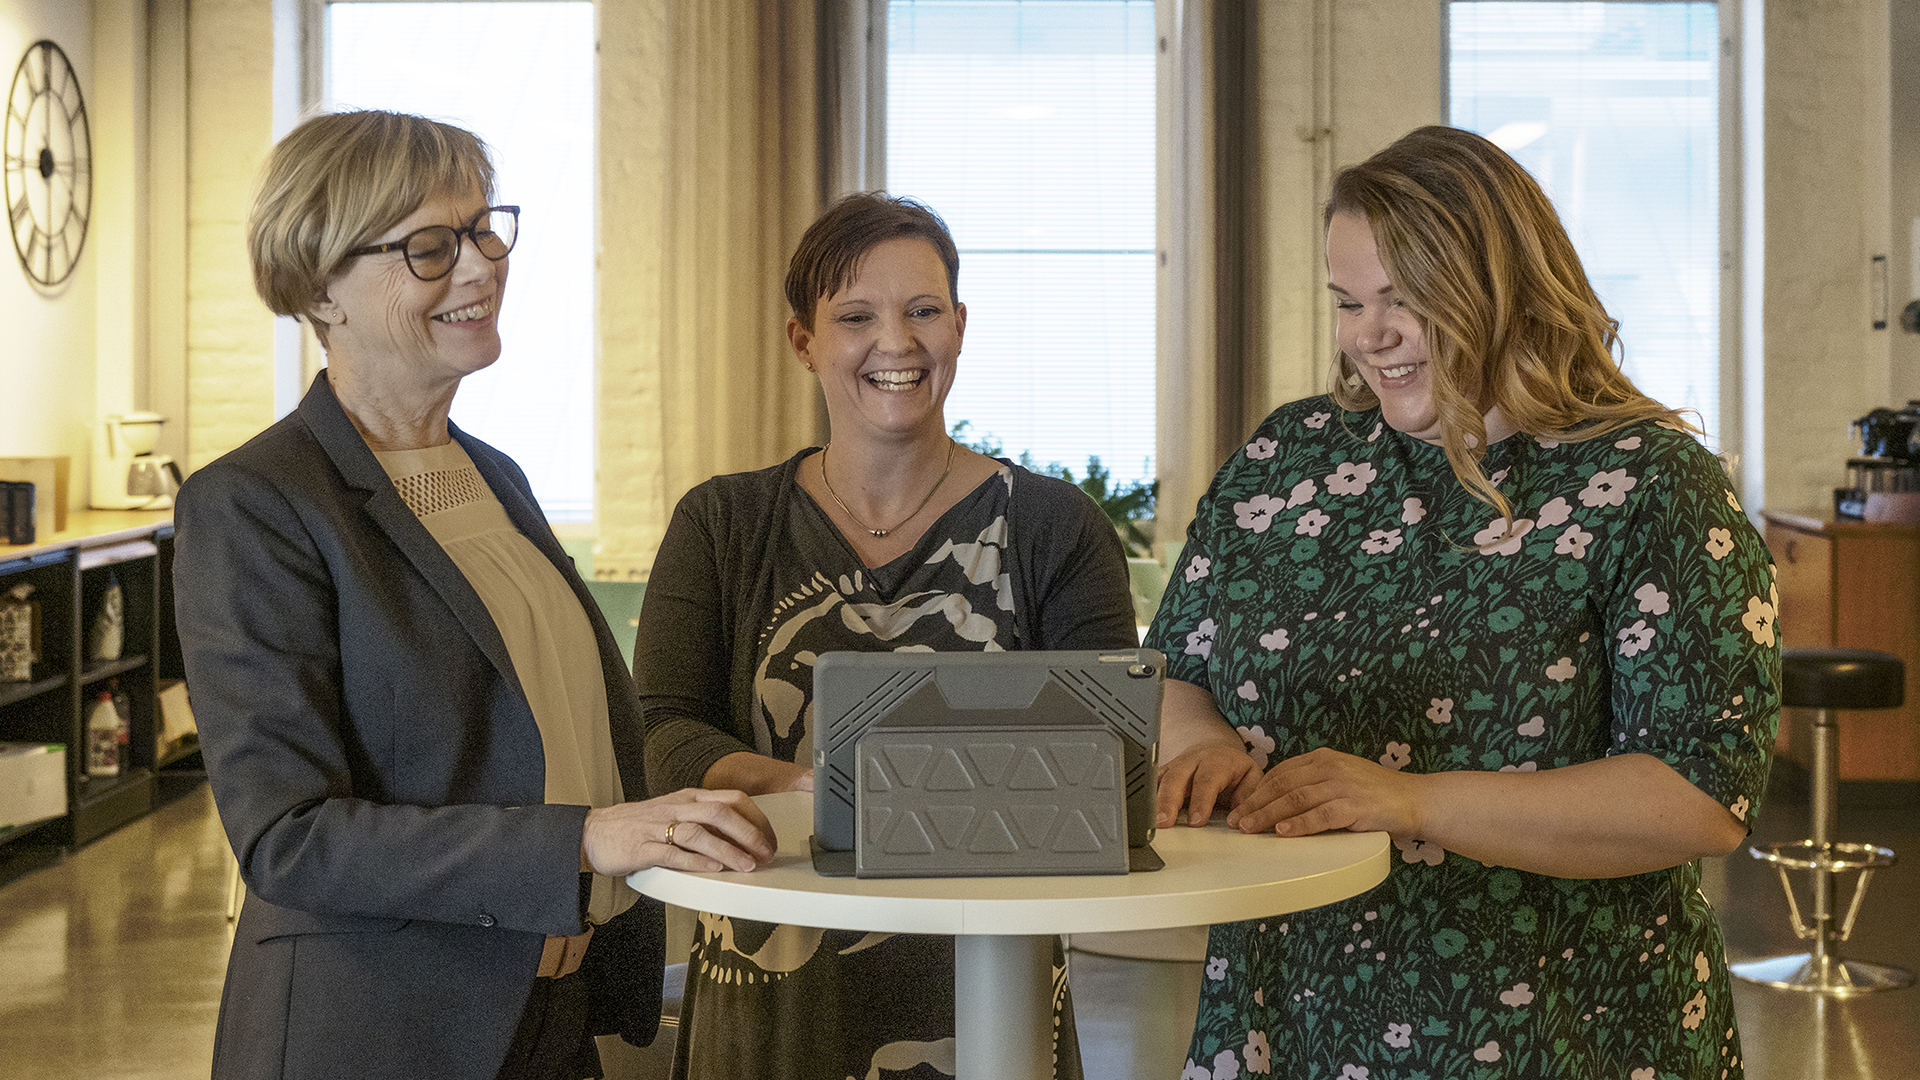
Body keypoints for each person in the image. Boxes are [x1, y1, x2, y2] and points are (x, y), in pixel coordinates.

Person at [1147, 126, 1780, 1080]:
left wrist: (1413, 801)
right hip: (1297, 1008)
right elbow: (1177, 666)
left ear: (1504, 288)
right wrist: (1198, 744)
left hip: (1560, 1027)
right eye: (1350, 302)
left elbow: (1698, 798)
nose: (1371, 336)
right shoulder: (1292, 457)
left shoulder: (1650, 483)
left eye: (1406, 301)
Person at [172, 109, 776, 1080]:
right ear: (321, 287)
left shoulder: (494, 478)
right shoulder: (255, 505)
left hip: (546, 1016)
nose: (481, 265)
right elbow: (289, 838)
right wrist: (584, 840)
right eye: (429, 246)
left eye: (484, 228)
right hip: (381, 1031)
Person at [634, 192, 1138, 1080]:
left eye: (923, 311)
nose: (896, 344)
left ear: (960, 326)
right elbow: (661, 732)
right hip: (767, 991)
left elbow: (1109, 760)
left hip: (989, 992)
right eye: (856, 317)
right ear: (805, 341)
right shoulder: (721, 523)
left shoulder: (1056, 526)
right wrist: (815, 788)